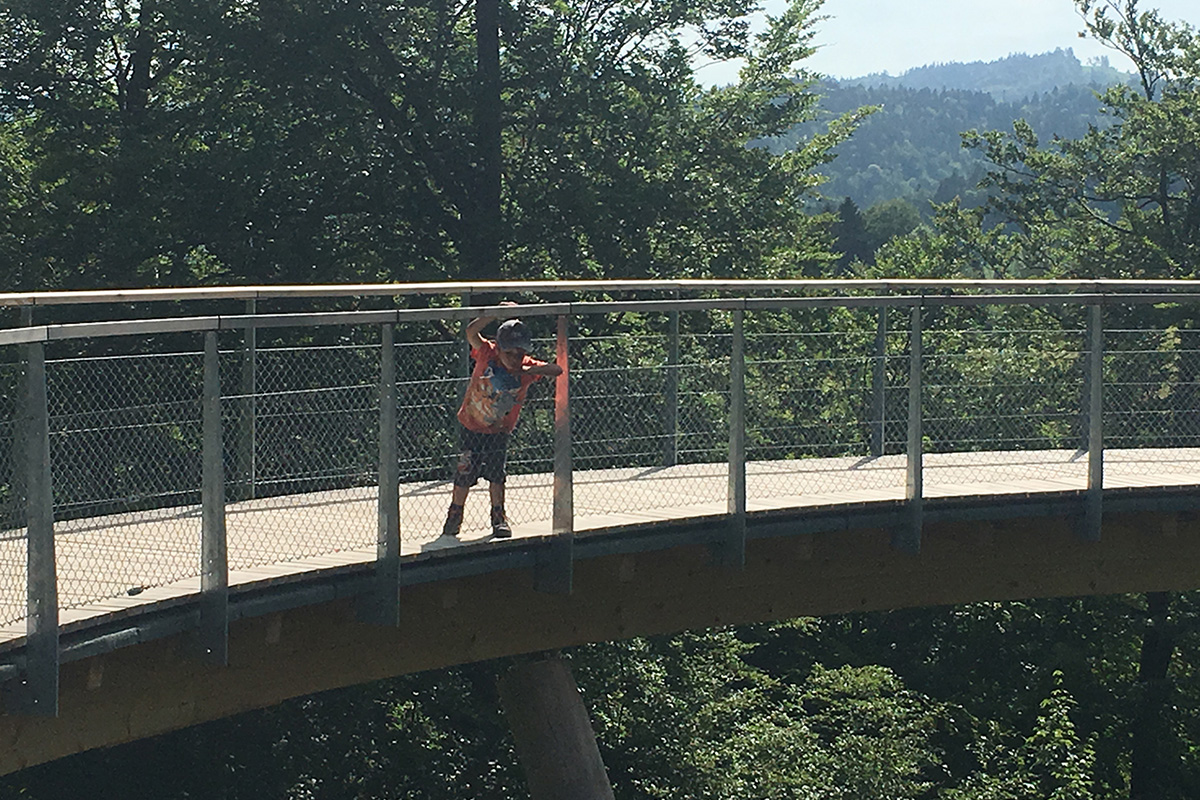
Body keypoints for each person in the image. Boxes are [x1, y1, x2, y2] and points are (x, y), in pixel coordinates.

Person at [442, 305, 562, 539]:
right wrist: (493, 314)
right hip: (472, 424)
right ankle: (455, 513)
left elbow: (556, 369)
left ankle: (499, 516)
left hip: (499, 430)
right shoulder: (487, 353)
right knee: (465, 470)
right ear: (500, 348)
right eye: (510, 354)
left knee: (497, 473)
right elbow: (470, 332)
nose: (515, 359)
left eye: (519, 354)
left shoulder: (526, 367)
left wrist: (526, 368)